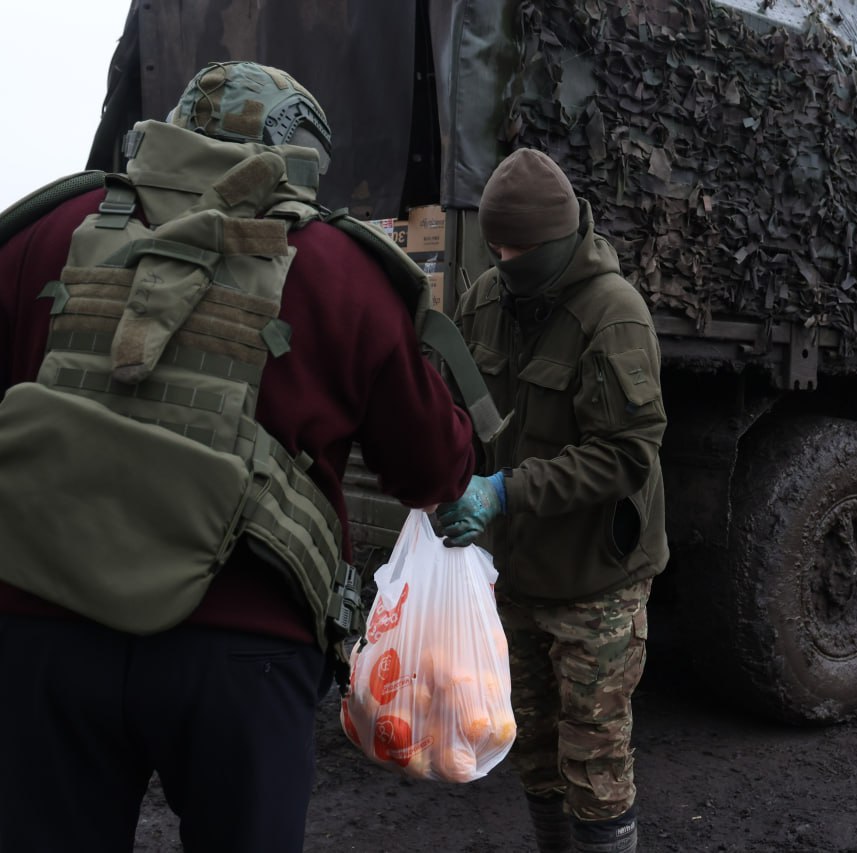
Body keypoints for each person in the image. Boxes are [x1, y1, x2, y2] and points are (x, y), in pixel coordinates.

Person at [0, 61, 476, 853]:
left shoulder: (42, 232)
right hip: (240, 651)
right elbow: (430, 465)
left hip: (42, 634)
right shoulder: (346, 271)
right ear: (303, 158)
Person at [437, 148, 668, 853]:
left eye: (517, 249)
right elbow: (463, 404)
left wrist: (505, 489)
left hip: (596, 576)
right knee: (530, 741)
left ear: (553, 240)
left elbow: (627, 455)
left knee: (592, 754)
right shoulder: (485, 300)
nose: (503, 260)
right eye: (496, 247)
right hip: (517, 570)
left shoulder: (613, 314)